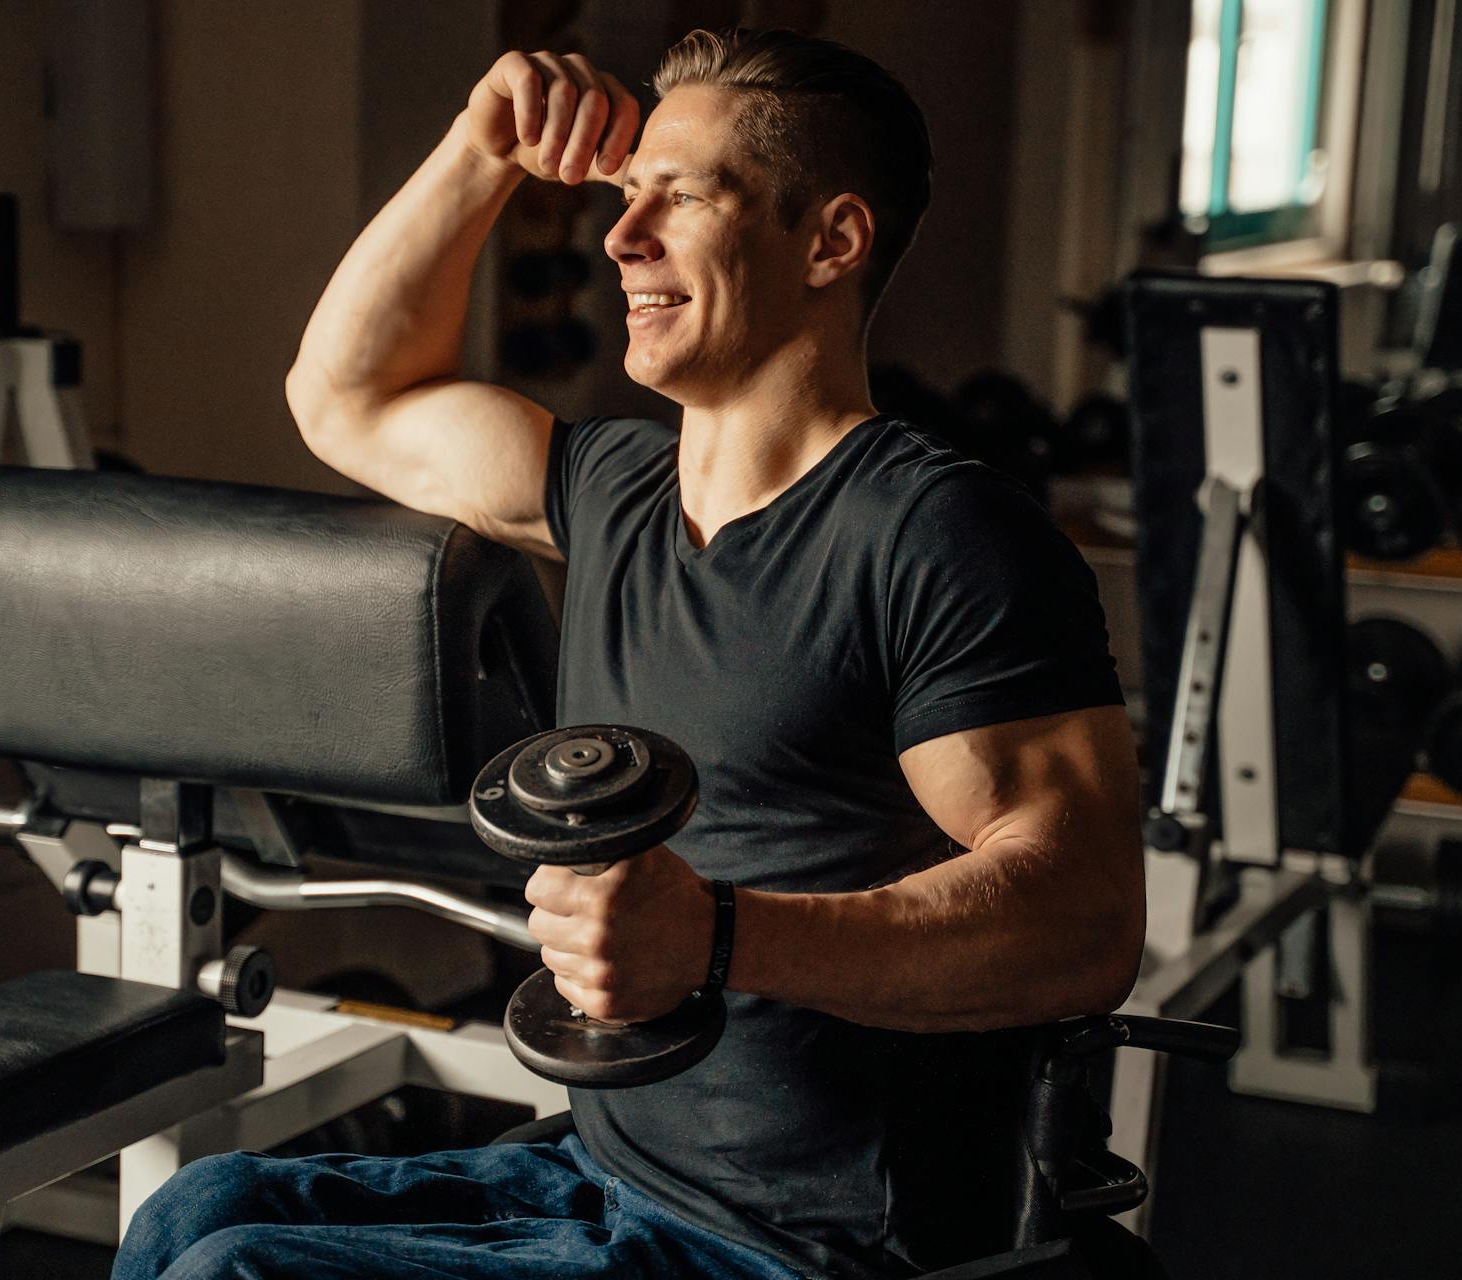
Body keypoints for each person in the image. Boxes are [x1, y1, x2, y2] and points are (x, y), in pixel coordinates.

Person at [114, 26, 1144, 1280]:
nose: (621, 236)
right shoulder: (612, 485)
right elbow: (349, 398)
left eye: (683, 196)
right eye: (625, 194)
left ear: (831, 241)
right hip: (616, 1171)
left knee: (235, 1275)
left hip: (802, 1242)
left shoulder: (937, 534)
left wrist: (718, 937)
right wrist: (478, 149)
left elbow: (1080, 920)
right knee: (190, 1210)